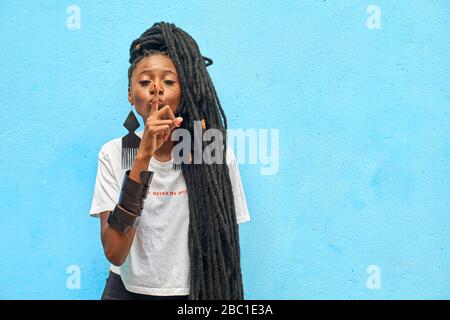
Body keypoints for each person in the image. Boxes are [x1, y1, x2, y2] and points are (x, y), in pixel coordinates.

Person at [89, 22, 251, 300]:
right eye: (144, 81)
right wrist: (143, 156)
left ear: (185, 92)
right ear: (130, 94)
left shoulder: (214, 153)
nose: (156, 89)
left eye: (169, 81)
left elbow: (224, 251)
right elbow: (115, 252)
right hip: (125, 292)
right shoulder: (114, 153)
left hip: (195, 294)